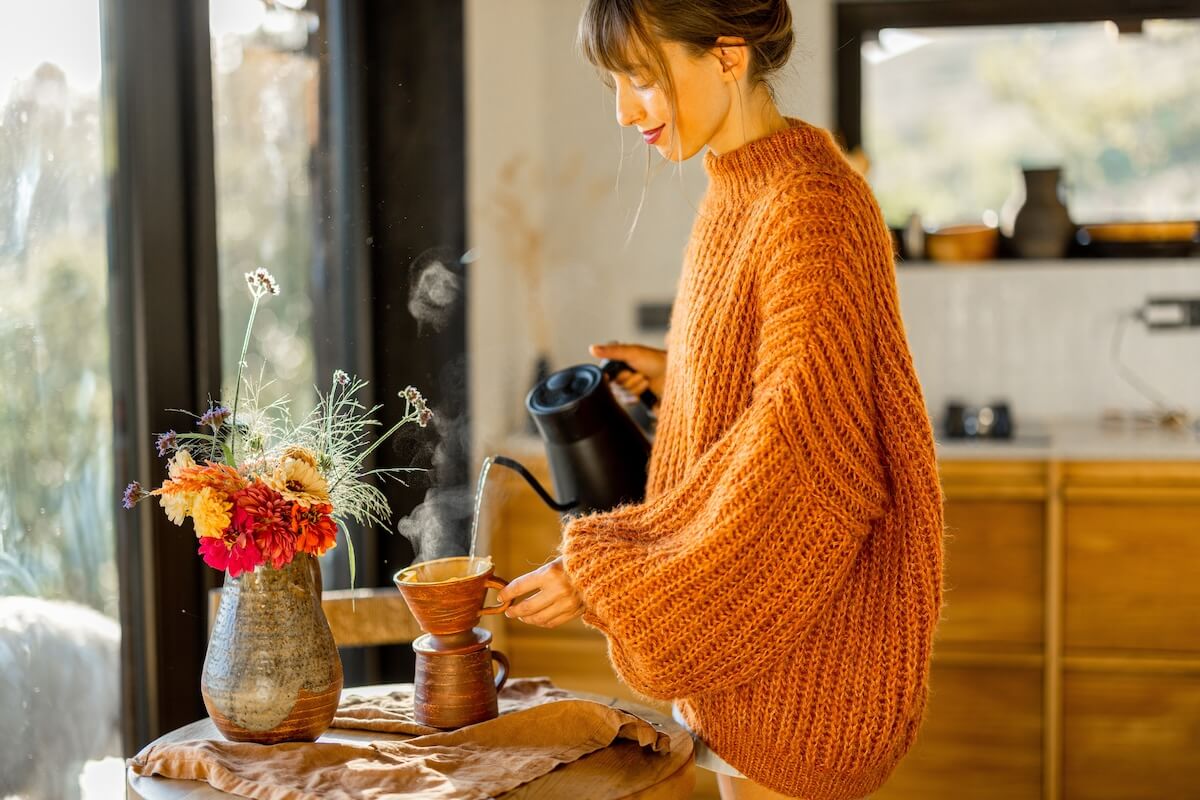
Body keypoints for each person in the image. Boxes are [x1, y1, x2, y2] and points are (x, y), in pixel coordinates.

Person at [495, 2, 944, 797]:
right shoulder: (740, 188)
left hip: (800, 678)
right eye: (616, 84)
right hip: (747, 670)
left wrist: (603, 573)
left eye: (641, 78)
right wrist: (688, 375)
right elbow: (789, 389)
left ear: (727, 55)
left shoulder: (810, 203)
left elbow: (804, 464)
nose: (626, 109)